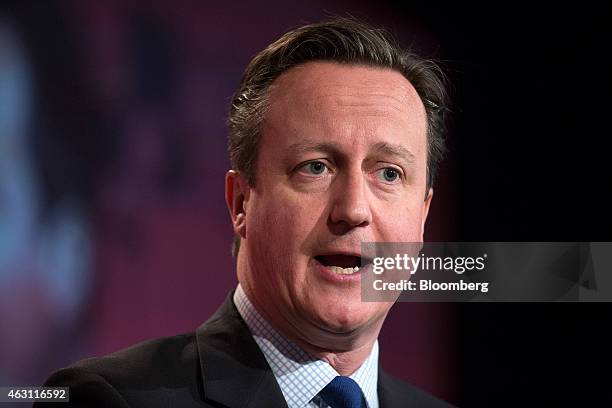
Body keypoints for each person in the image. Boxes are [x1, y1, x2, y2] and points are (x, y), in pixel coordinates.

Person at [37, 17, 454, 407]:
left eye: (388, 173)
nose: (354, 209)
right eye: (315, 167)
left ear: (421, 217)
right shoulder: (107, 399)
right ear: (241, 202)